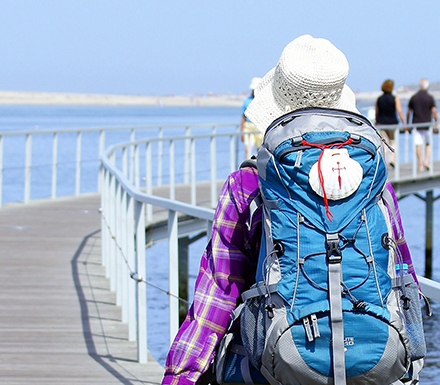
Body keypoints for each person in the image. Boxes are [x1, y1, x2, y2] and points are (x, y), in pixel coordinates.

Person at [161, 34, 419, 385]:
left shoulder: (248, 183)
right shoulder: (373, 180)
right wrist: (410, 365)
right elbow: (403, 274)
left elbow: (219, 292)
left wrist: (181, 376)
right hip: (371, 358)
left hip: (275, 364)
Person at [406, 78, 438, 171]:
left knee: (418, 145)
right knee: (428, 144)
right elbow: (434, 111)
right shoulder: (430, 98)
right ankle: (426, 161)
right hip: (427, 124)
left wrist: (407, 123)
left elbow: (408, 112)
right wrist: (436, 123)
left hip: (416, 124)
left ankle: (420, 164)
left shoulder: (414, 97)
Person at [375, 79, 405, 167]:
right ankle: (392, 159)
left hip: (381, 123)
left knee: (384, 143)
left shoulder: (379, 99)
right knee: (393, 141)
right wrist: (404, 122)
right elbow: (399, 110)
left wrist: (376, 121)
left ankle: (384, 161)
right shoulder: (395, 98)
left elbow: (377, 111)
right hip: (392, 123)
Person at [240, 77, 263, 159]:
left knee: (260, 149)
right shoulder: (247, 100)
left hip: (259, 126)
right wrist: (241, 131)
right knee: (248, 149)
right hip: (248, 126)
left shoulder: (263, 101)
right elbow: (243, 116)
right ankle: (247, 168)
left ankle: (259, 167)